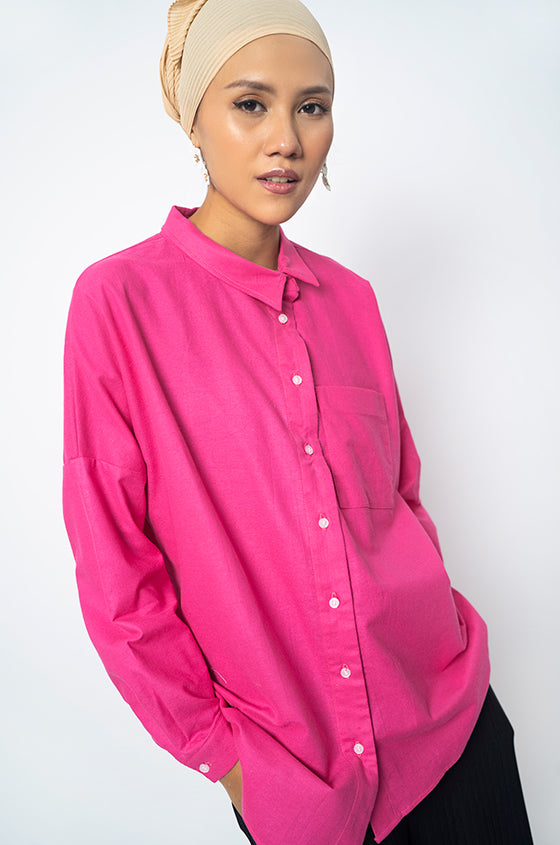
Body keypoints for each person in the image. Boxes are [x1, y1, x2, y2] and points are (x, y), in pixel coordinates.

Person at [62, 1, 534, 843]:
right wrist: (226, 758)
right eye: (251, 103)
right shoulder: (118, 303)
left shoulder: (353, 300)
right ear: (194, 118)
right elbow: (116, 572)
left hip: (447, 731)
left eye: (311, 106)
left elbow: (399, 498)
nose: (286, 138)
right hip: (297, 782)